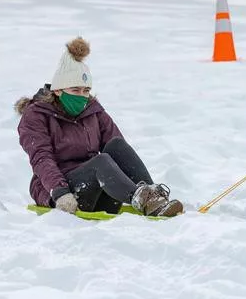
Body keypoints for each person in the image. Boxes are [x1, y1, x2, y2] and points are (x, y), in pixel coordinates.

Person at [16, 37, 184, 217]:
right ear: (58, 90)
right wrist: (59, 192)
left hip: (99, 189)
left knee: (116, 145)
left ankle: (152, 198)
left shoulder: (92, 111)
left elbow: (119, 151)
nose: (82, 96)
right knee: (100, 162)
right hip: (66, 195)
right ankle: (142, 199)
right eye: (75, 90)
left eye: (86, 91)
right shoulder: (36, 115)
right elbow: (41, 158)